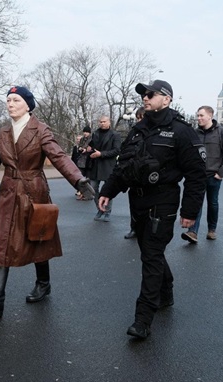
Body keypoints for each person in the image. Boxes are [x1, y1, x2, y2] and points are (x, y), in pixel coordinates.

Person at [0, 86, 94, 317]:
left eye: (16, 100)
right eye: (8, 100)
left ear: (28, 105)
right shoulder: (3, 133)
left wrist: (79, 180)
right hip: (8, 192)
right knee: (2, 241)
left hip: (34, 192)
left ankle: (43, 283)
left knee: (38, 238)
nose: (10, 103)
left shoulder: (40, 130)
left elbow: (59, 156)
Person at [98, 79, 205, 340]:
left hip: (164, 200)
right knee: (149, 250)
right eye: (144, 94)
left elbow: (196, 174)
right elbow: (124, 165)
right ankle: (166, 292)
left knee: (151, 255)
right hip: (138, 200)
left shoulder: (182, 131)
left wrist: (189, 212)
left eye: (151, 94)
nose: (145, 97)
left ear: (167, 99)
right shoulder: (137, 129)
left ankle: (143, 319)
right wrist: (108, 191)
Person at [182, 106, 223, 243]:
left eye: (201, 115)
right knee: (196, 203)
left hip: (213, 175)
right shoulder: (194, 133)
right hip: (197, 176)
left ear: (210, 116)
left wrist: (221, 173)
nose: (198, 118)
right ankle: (193, 232)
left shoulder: (221, 132)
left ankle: (212, 230)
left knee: (213, 203)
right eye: (197, 115)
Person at [87, 115, 121, 221]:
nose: (102, 123)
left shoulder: (115, 135)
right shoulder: (95, 133)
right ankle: (100, 209)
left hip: (108, 166)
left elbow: (116, 150)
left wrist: (101, 154)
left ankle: (107, 211)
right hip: (95, 166)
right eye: (100, 122)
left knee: (107, 190)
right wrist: (88, 150)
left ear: (109, 122)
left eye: (104, 121)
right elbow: (92, 147)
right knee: (93, 189)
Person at [124, 107, 145, 239]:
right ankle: (134, 228)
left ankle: (144, 228)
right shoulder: (134, 132)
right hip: (134, 173)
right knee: (133, 203)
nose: (138, 120)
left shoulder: (153, 132)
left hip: (147, 173)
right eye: (137, 118)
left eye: (141, 117)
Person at [74, 126, 93, 200]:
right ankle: (82, 193)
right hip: (81, 160)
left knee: (88, 179)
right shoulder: (82, 139)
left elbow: (93, 148)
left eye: (87, 132)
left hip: (89, 160)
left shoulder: (92, 139)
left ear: (89, 132)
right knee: (80, 179)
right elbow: (79, 147)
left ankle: (89, 194)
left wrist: (87, 150)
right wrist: (80, 149)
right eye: (84, 132)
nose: (85, 133)